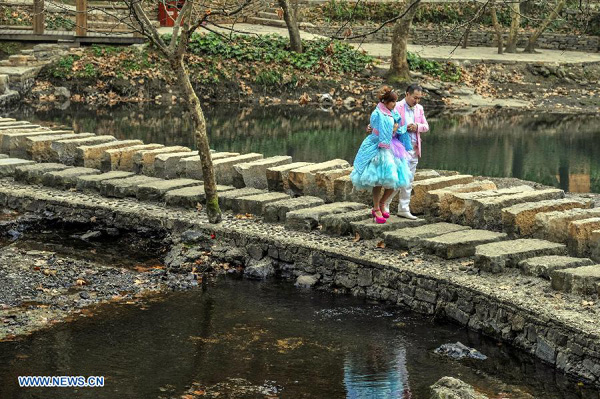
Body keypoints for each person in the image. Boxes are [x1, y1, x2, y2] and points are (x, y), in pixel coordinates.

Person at [350, 86, 411, 224]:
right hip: (378, 146)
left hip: (393, 146)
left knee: (397, 180)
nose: (395, 104)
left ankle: (383, 203)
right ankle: (376, 207)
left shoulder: (393, 112)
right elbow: (375, 128)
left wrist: (396, 129)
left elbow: (400, 125)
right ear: (385, 101)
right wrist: (384, 129)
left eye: (395, 101)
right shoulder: (377, 113)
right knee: (378, 181)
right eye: (392, 101)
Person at [382, 84, 429, 220]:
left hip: (414, 148)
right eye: (415, 97)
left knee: (408, 180)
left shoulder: (419, 109)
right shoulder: (396, 106)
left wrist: (417, 126)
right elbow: (387, 123)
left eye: (419, 98)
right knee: (396, 178)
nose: (417, 101)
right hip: (399, 148)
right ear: (407, 94)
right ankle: (385, 204)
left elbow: (426, 126)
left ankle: (404, 208)